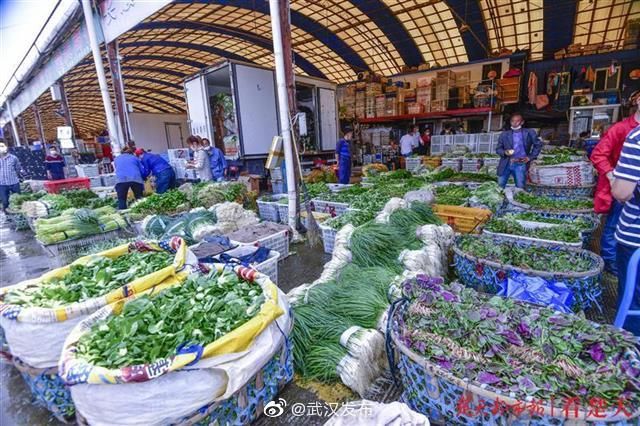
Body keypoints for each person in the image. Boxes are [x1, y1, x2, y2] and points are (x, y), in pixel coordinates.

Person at [590, 90, 640, 274]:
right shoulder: (622, 129)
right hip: (623, 192)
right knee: (612, 226)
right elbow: (598, 154)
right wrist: (612, 178)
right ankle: (610, 264)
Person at [610, 124, 640, 336]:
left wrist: (613, 179)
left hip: (635, 237)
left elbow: (622, 192)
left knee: (634, 303)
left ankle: (631, 353)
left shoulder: (637, 138)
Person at [495, 113, 542, 189]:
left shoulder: (529, 132)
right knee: (499, 186)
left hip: (520, 164)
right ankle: (500, 200)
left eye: (517, 121)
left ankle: (516, 200)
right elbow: (498, 149)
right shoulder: (504, 134)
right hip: (506, 163)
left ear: (522, 122)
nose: (514, 123)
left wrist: (530, 157)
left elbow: (538, 144)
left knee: (520, 187)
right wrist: (505, 152)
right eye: (512, 121)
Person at [0, 142, 23, 213]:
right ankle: (8, 216)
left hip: (14, 182)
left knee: (19, 200)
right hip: (2, 184)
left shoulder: (13, 158)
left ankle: (20, 215)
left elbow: (18, 168)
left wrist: (15, 175)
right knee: (5, 201)